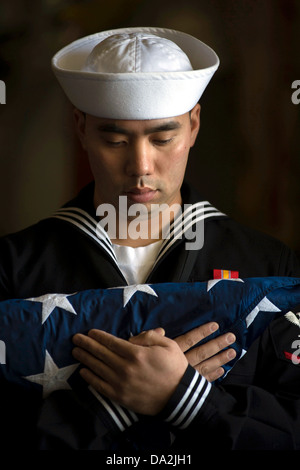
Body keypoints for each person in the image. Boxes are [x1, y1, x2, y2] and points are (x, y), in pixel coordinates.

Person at [0, 27, 299, 451]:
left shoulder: (270, 265)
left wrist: (189, 401)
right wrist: (111, 404)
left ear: (194, 125)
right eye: (115, 139)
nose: (140, 165)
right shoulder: (13, 266)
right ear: (80, 127)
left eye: (163, 138)